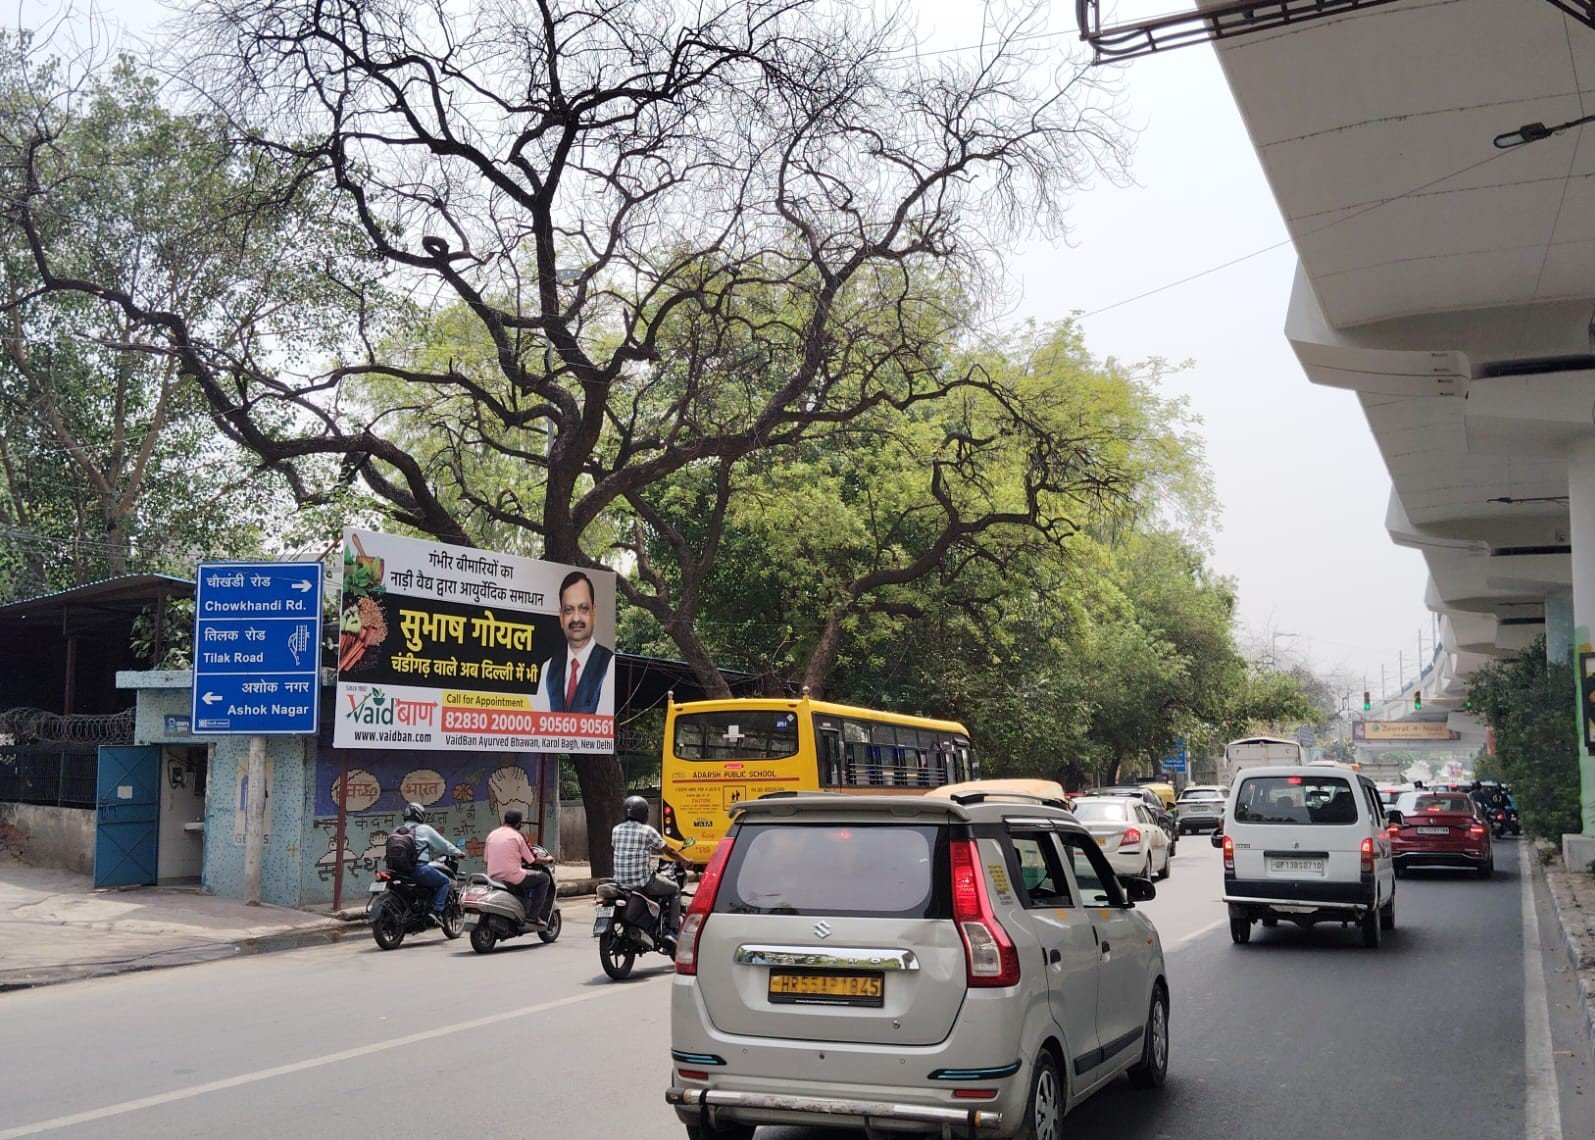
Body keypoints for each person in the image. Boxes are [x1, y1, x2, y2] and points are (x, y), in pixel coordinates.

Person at [534, 571, 614, 715]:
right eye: (569, 610)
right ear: (561, 617)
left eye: (583, 609)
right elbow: (539, 722)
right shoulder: (548, 668)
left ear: (594, 613)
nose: (576, 618)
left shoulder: (609, 664)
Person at [611, 795, 685, 945]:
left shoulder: (616, 830)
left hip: (620, 882)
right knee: (675, 889)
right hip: (642, 881)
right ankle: (672, 930)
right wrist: (685, 860)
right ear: (644, 813)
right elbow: (668, 850)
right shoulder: (647, 831)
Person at [483, 809, 552, 926]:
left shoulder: (492, 835)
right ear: (518, 823)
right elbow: (532, 859)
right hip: (513, 877)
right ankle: (533, 916)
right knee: (544, 878)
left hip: (493, 877)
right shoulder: (518, 836)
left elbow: (486, 860)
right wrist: (547, 859)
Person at [403, 802, 463, 925]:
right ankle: (436, 912)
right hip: (418, 869)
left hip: (399, 870)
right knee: (445, 881)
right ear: (419, 815)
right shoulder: (424, 829)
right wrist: (458, 852)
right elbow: (443, 845)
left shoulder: (399, 830)